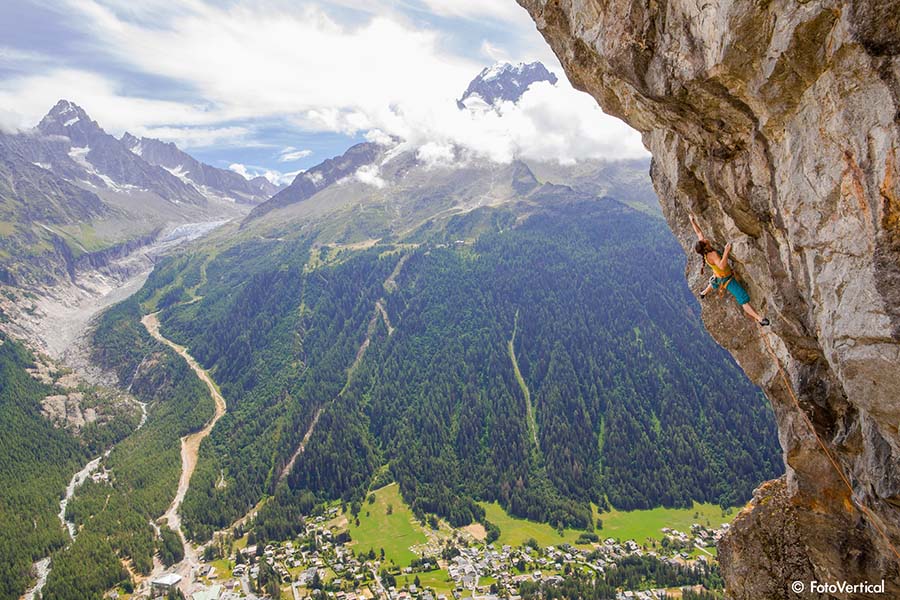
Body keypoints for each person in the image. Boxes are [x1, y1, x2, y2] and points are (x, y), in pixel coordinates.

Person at [689, 214, 769, 326]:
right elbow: (722, 266)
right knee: (742, 298)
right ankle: (760, 319)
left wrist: (692, 221)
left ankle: (703, 293)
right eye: (705, 241)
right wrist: (726, 251)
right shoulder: (712, 254)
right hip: (726, 279)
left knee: (714, 280)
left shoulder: (705, 251)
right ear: (705, 246)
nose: (706, 239)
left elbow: (699, 233)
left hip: (718, 276)